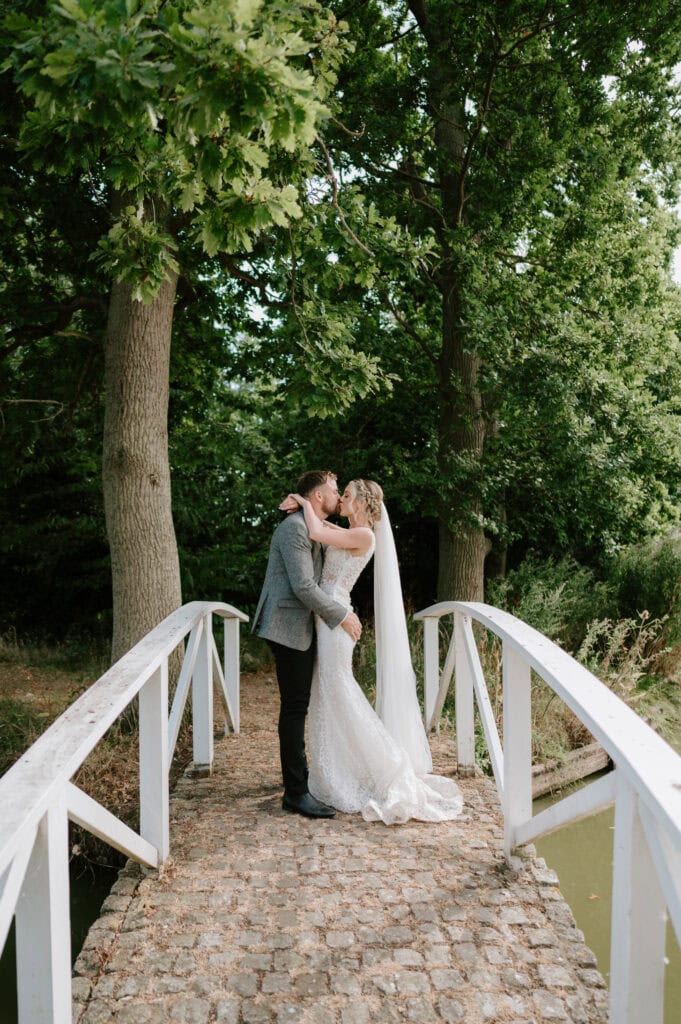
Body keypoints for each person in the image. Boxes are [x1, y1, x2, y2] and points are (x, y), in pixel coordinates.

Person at [281, 480, 463, 825]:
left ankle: (388, 766)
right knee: (328, 693)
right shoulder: (350, 530)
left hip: (336, 620)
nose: (342, 497)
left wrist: (302, 502)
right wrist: (307, 507)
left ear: (362, 502)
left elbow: (317, 532)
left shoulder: (365, 536)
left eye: (347, 493)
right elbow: (322, 528)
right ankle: (337, 769)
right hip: (327, 617)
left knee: (340, 690)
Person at [252, 470, 362, 819]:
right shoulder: (294, 529)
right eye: (333, 489)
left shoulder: (310, 523)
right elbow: (302, 587)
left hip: (305, 625)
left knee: (300, 702)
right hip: (286, 625)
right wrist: (342, 615)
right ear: (318, 496)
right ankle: (296, 793)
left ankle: (300, 777)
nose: (338, 495)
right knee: (295, 705)